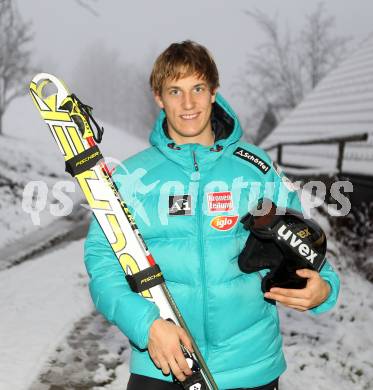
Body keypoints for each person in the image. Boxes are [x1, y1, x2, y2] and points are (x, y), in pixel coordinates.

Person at [84, 40, 340, 390]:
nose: (188, 104)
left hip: (250, 367)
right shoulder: (131, 177)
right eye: (175, 91)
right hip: (163, 364)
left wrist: (325, 289)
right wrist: (147, 326)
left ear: (214, 92)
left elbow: (305, 244)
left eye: (198, 88)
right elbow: (102, 265)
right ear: (158, 98)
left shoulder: (257, 168)